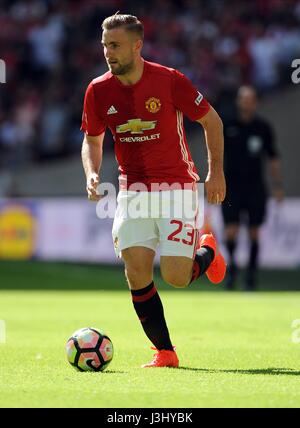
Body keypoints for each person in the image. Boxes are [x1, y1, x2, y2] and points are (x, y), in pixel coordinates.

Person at [81, 13, 226, 368]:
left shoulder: (169, 80)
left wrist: (216, 173)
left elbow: (211, 120)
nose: (108, 53)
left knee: (176, 277)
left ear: (136, 45)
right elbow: (92, 139)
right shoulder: (98, 90)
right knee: (136, 270)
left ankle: (206, 250)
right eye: (104, 46)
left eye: (115, 45)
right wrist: (92, 173)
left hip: (177, 185)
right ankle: (166, 352)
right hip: (132, 190)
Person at [222, 86, 284, 291]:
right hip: (231, 187)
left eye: (250, 99)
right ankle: (231, 271)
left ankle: (251, 275)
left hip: (255, 187)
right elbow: (214, 153)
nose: (247, 102)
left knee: (254, 232)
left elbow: (273, 157)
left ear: (255, 102)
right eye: (243, 99)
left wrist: (277, 185)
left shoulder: (262, 127)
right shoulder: (227, 125)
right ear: (238, 101)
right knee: (231, 231)